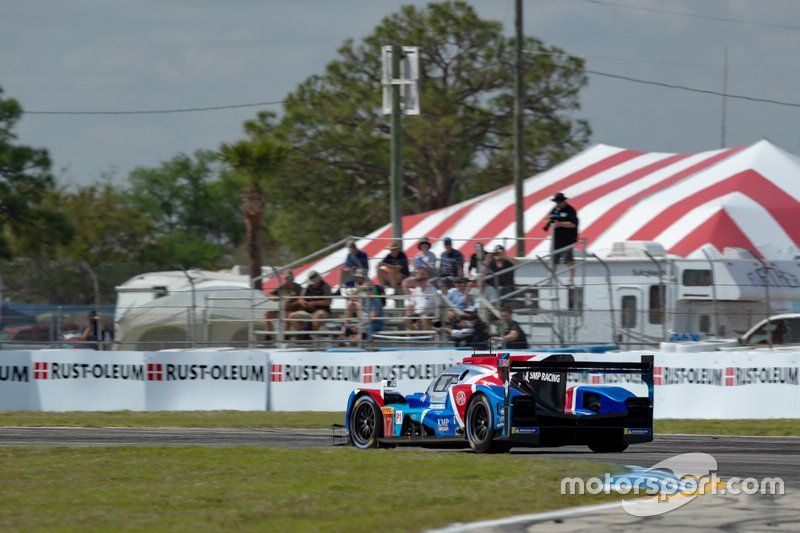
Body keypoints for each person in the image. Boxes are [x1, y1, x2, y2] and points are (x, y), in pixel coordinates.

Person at [545, 192, 579, 283]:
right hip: (557, 238)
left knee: (569, 258)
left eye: (559, 202)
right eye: (556, 202)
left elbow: (573, 224)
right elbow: (549, 219)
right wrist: (549, 220)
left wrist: (560, 223)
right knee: (553, 259)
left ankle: (570, 279)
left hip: (568, 238)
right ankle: (550, 278)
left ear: (564, 201)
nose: (558, 204)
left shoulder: (570, 210)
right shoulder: (555, 210)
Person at [342, 270, 385, 340]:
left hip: (374, 323)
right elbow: (351, 298)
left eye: (370, 290)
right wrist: (359, 288)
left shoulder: (376, 300)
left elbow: (371, 318)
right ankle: (351, 341)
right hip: (365, 322)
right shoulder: (364, 297)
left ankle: (356, 343)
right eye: (366, 290)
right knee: (346, 329)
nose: (368, 291)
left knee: (360, 330)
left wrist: (359, 325)